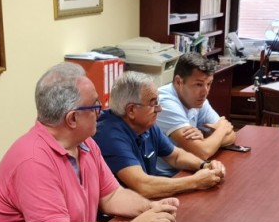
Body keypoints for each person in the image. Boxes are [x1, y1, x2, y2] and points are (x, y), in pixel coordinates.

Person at [0, 62, 180, 222]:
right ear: (72, 119)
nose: (101, 113)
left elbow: (112, 196)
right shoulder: (33, 160)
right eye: (95, 106)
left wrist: (150, 209)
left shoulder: (85, 143)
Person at [92, 71, 226, 198]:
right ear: (131, 110)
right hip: (118, 216)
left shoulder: (145, 125)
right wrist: (195, 181)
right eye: (153, 103)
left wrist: (204, 165)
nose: (159, 109)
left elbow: (176, 156)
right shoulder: (110, 135)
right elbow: (143, 186)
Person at [154, 52, 237, 175]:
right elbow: (203, 152)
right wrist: (221, 130)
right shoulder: (165, 102)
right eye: (198, 84)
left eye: (209, 84)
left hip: (189, 167)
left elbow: (232, 136)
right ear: (178, 82)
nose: (205, 92)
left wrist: (205, 138)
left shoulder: (197, 99)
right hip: (166, 175)